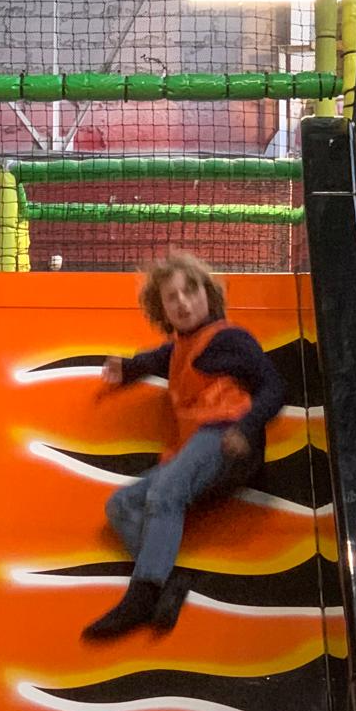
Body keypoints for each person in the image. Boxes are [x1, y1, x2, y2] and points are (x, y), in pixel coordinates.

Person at [82, 251, 285, 641]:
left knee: (164, 493)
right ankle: (171, 581)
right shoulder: (180, 349)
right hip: (196, 451)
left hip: (227, 439)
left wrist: (246, 428)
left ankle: (140, 597)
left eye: (190, 292)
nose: (183, 303)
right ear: (162, 311)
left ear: (208, 293)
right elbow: (159, 358)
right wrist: (129, 368)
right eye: (171, 298)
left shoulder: (230, 339)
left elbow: (274, 386)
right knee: (121, 505)